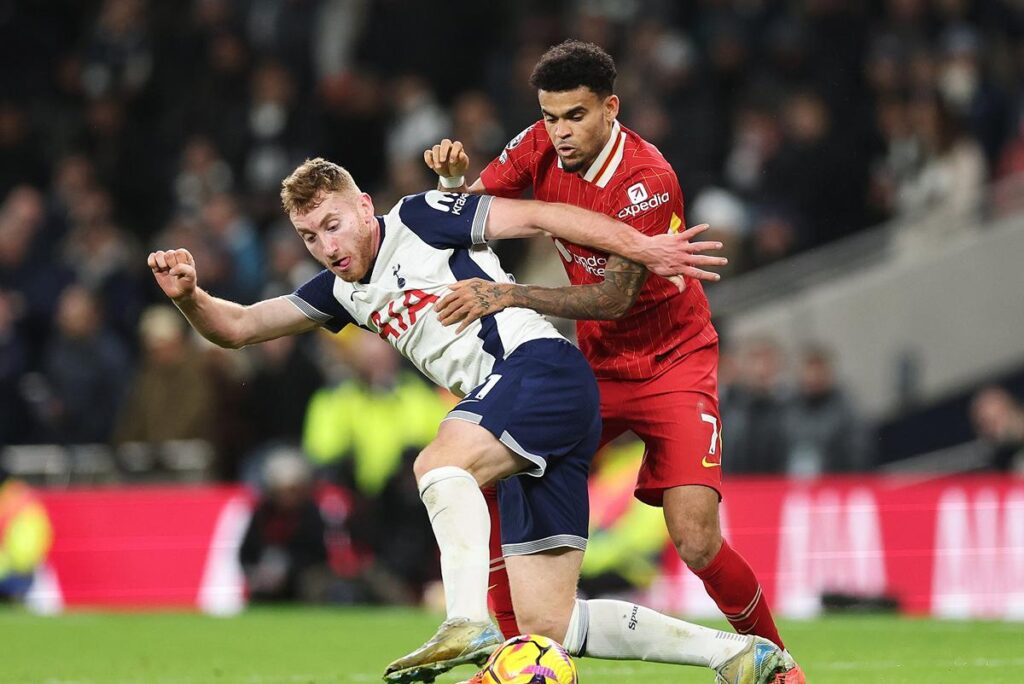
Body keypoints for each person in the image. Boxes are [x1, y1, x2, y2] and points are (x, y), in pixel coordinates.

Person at [147, 157, 791, 684]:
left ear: (365, 205)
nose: (327, 246)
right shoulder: (340, 291)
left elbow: (538, 215)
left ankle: (464, 621)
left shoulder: (423, 217)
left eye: (333, 224)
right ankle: (737, 656)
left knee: (437, 463)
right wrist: (191, 299)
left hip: (538, 370)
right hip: (530, 411)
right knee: (551, 626)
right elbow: (238, 328)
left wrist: (640, 246)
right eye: (310, 236)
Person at [424, 40, 803, 680]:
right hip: (594, 370)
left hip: (672, 364)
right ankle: (514, 654)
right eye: (549, 116)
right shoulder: (536, 146)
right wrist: (451, 182)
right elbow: (465, 218)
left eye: (574, 116)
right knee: (485, 474)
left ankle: (777, 664)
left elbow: (613, 296)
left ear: (610, 108)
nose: (559, 132)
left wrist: (510, 293)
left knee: (696, 538)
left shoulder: (646, 181)